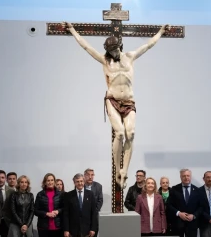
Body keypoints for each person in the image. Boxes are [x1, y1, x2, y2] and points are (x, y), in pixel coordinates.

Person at [63, 21, 170, 189]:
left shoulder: (130, 56)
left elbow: (148, 45)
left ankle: (124, 171)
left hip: (129, 100)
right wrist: (72, 30)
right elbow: (86, 47)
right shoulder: (105, 61)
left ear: (120, 46)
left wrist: (161, 32)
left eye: (114, 49)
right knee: (119, 133)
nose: (112, 53)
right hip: (112, 100)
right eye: (109, 50)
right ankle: (117, 168)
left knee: (131, 133)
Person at [167, 169, 202, 237]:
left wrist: (194, 215)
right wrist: (179, 213)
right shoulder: (174, 189)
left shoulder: (197, 190)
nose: (186, 177)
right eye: (184, 176)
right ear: (180, 177)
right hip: (178, 223)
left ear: (190, 177)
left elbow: (201, 207)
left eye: (188, 176)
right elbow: (169, 205)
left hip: (192, 223)